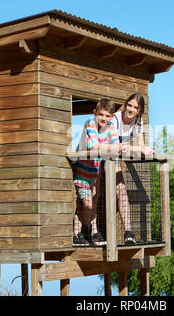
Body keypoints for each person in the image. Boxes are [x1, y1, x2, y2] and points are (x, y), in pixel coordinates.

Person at [72, 98, 120, 246]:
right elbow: (93, 146)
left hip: (94, 171)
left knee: (88, 203)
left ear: (112, 117)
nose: (103, 118)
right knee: (87, 204)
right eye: (101, 115)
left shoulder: (111, 127)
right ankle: (85, 229)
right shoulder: (90, 123)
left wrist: (114, 148)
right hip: (82, 171)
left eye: (107, 116)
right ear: (95, 113)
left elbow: (116, 146)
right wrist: (111, 148)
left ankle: (77, 232)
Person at [113, 93, 155, 244]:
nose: (131, 109)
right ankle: (89, 232)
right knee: (95, 194)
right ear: (125, 105)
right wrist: (138, 150)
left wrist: (146, 149)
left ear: (139, 111)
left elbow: (140, 146)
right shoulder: (115, 119)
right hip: (102, 154)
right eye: (129, 105)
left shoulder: (137, 122)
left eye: (135, 107)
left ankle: (128, 232)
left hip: (114, 157)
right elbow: (114, 146)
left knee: (121, 189)